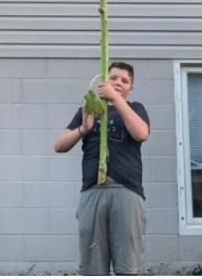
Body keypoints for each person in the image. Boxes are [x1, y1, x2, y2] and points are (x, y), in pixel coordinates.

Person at [53, 61, 150, 276]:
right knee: (93, 267)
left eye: (124, 81)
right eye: (113, 78)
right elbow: (59, 145)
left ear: (130, 88)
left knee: (128, 266)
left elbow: (141, 133)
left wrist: (116, 100)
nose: (118, 83)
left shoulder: (135, 108)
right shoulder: (88, 110)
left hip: (126, 191)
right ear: (104, 80)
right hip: (92, 191)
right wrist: (83, 128)